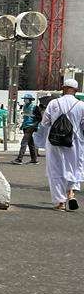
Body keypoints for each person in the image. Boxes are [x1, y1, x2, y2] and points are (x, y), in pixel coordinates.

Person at [36, 78, 84, 211]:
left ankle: (60, 202)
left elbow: (45, 123)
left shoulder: (53, 103)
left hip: (55, 141)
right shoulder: (81, 105)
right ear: (76, 90)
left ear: (63, 88)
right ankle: (71, 193)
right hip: (74, 142)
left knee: (56, 170)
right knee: (73, 168)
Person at [13, 94, 42, 164]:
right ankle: (34, 159)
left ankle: (19, 159)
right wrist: (22, 125)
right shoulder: (25, 106)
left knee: (24, 142)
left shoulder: (35, 107)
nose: (25, 100)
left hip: (31, 126)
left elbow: (39, 118)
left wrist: (35, 125)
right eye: (24, 99)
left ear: (30, 100)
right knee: (30, 143)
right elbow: (25, 117)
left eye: (26, 99)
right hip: (25, 126)